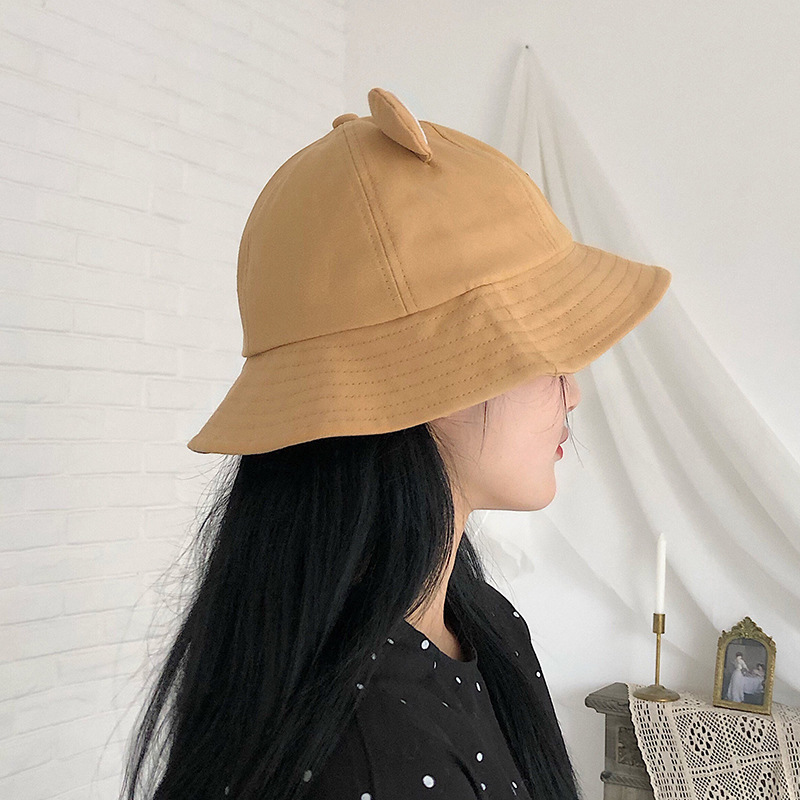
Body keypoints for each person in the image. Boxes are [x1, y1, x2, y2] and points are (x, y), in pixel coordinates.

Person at [121, 87, 672, 800]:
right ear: (436, 384)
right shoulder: (372, 757)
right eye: (548, 354)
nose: (573, 393)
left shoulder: (481, 623)